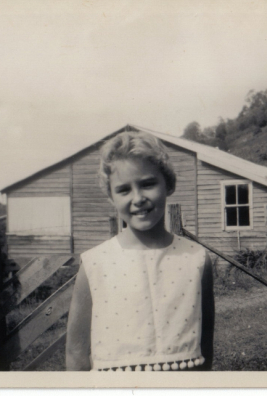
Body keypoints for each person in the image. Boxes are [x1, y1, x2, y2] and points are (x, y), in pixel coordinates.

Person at [66, 130, 214, 371]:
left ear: (168, 184)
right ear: (111, 197)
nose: (138, 198)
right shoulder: (95, 264)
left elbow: (206, 342)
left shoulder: (196, 259)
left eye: (147, 184)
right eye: (124, 190)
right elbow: (75, 351)